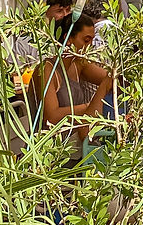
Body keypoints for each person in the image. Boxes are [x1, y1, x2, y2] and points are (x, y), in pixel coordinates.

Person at [38, 16, 112, 160]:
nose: (90, 46)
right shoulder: (48, 69)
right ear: (68, 39)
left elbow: (112, 81)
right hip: (55, 150)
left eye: (92, 41)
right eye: (86, 40)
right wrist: (88, 107)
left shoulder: (79, 64)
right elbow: (51, 117)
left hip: (76, 142)